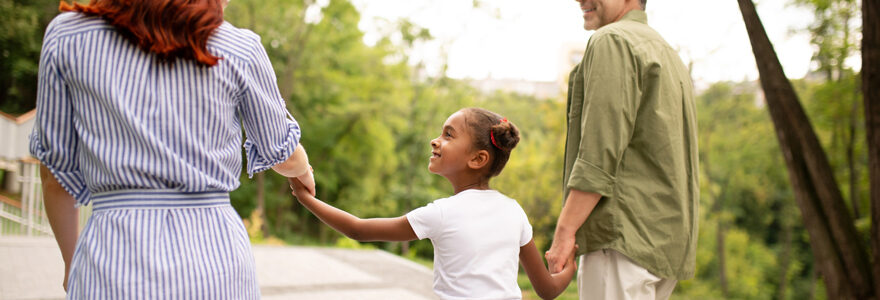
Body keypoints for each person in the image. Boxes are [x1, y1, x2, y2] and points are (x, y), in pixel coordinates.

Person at [31, 0, 315, 298]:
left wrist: (72, 263)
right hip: (217, 264)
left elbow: (55, 175)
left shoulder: (69, 37)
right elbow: (282, 152)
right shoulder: (238, 47)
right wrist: (304, 170)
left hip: (112, 261)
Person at [288, 108, 576, 300]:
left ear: (477, 159)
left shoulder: (442, 213)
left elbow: (359, 230)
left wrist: (306, 198)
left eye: (448, 135)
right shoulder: (514, 211)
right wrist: (570, 267)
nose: (435, 141)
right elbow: (547, 290)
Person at [543, 0, 699, 299]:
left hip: (620, 238)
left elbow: (599, 155)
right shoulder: (666, 51)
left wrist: (564, 233)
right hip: (663, 244)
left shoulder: (611, 40)